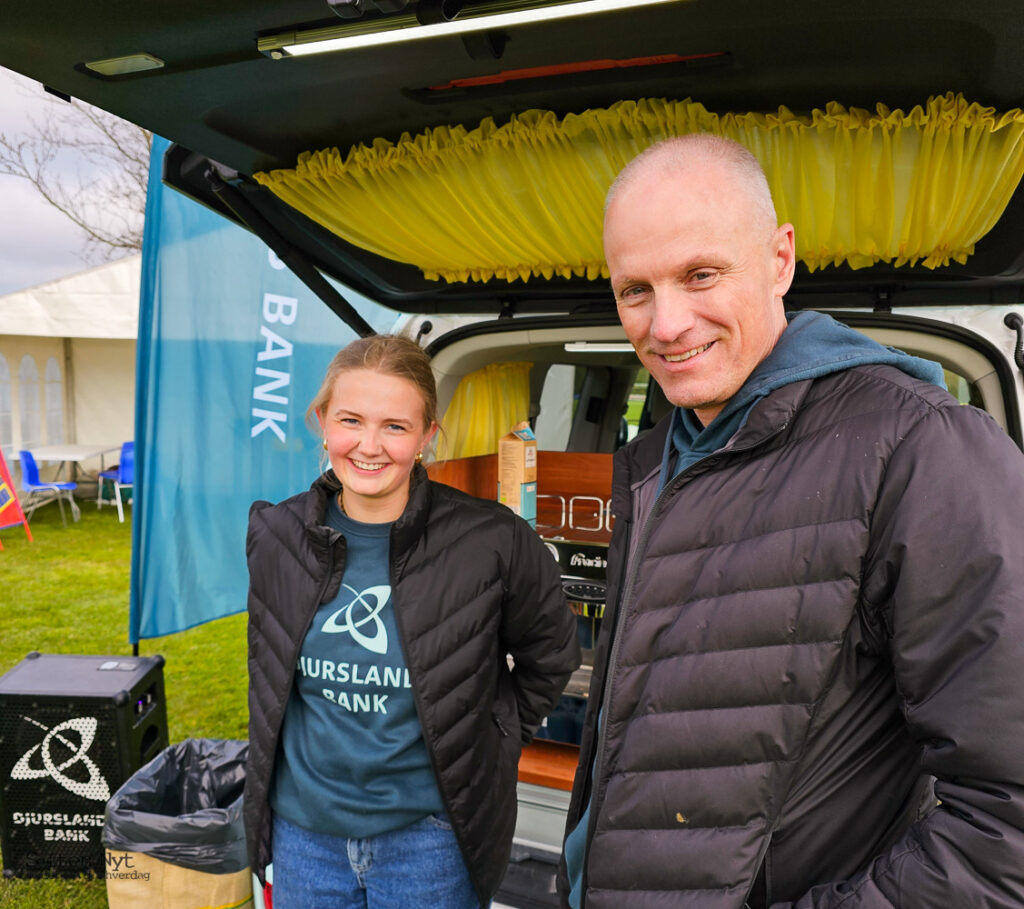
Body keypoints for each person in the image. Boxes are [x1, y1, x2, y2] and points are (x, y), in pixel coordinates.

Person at [559, 134, 1024, 908]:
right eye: (634, 289)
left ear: (780, 259)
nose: (666, 324)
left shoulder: (921, 449)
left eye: (700, 274)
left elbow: (1006, 825)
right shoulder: (655, 459)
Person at [244, 334, 580, 909]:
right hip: (304, 837)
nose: (369, 445)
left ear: (427, 435)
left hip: (431, 840)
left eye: (395, 426)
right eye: (350, 420)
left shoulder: (492, 540)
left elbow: (550, 657)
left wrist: (491, 740)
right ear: (322, 421)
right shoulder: (276, 536)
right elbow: (270, 675)